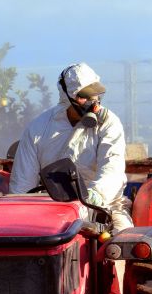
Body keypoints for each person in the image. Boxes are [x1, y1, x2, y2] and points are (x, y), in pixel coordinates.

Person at [9, 62, 133, 231]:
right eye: (85, 97)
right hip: (52, 208)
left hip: (105, 207)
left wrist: (94, 196)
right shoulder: (38, 129)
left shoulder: (109, 123)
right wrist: (23, 214)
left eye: (95, 95)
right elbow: (22, 186)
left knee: (118, 245)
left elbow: (113, 169)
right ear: (68, 97)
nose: (93, 102)